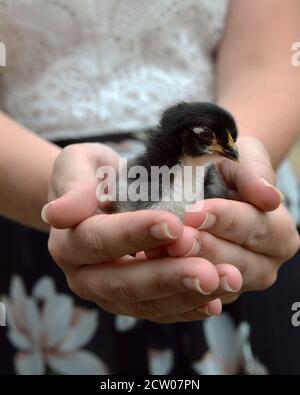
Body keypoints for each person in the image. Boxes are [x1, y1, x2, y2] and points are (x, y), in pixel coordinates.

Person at [0, 0, 299, 375]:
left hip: (235, 232)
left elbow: (270, 60)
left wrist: (246, 173)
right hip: (34, 216)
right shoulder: (142, 180)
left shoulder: (211, 176)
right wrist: (70, 194)